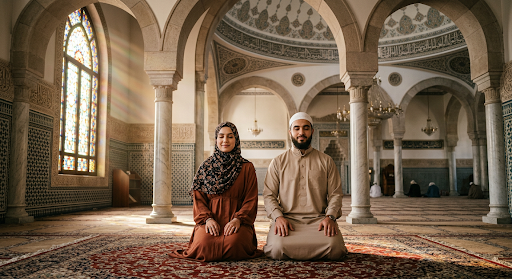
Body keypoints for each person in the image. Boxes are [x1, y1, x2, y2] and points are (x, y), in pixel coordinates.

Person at [169, 122, 263, 261]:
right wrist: (207, 219)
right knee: (204, 245)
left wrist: (238, 219)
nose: (225, 140)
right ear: (216, 140)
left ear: (236, 140)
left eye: (230, 137)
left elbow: (251, 199)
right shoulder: (206, 167)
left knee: (235, 245)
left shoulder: (247, 167)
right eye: (221, 136)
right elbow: (199, 199)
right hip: (210, 220)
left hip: (237, 221)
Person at [263, 112, 347, 261]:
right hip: (287, 220)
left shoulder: (326, 161)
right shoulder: (278, 162)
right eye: (296, 128)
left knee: (335, 249)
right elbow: (269, 195)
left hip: (319, 221)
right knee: (276, 249)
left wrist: (330, 217)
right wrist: (278, 217)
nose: (301, 132)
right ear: (290, 132)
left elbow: (335, 194)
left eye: (306, 128)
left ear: (312, 131)